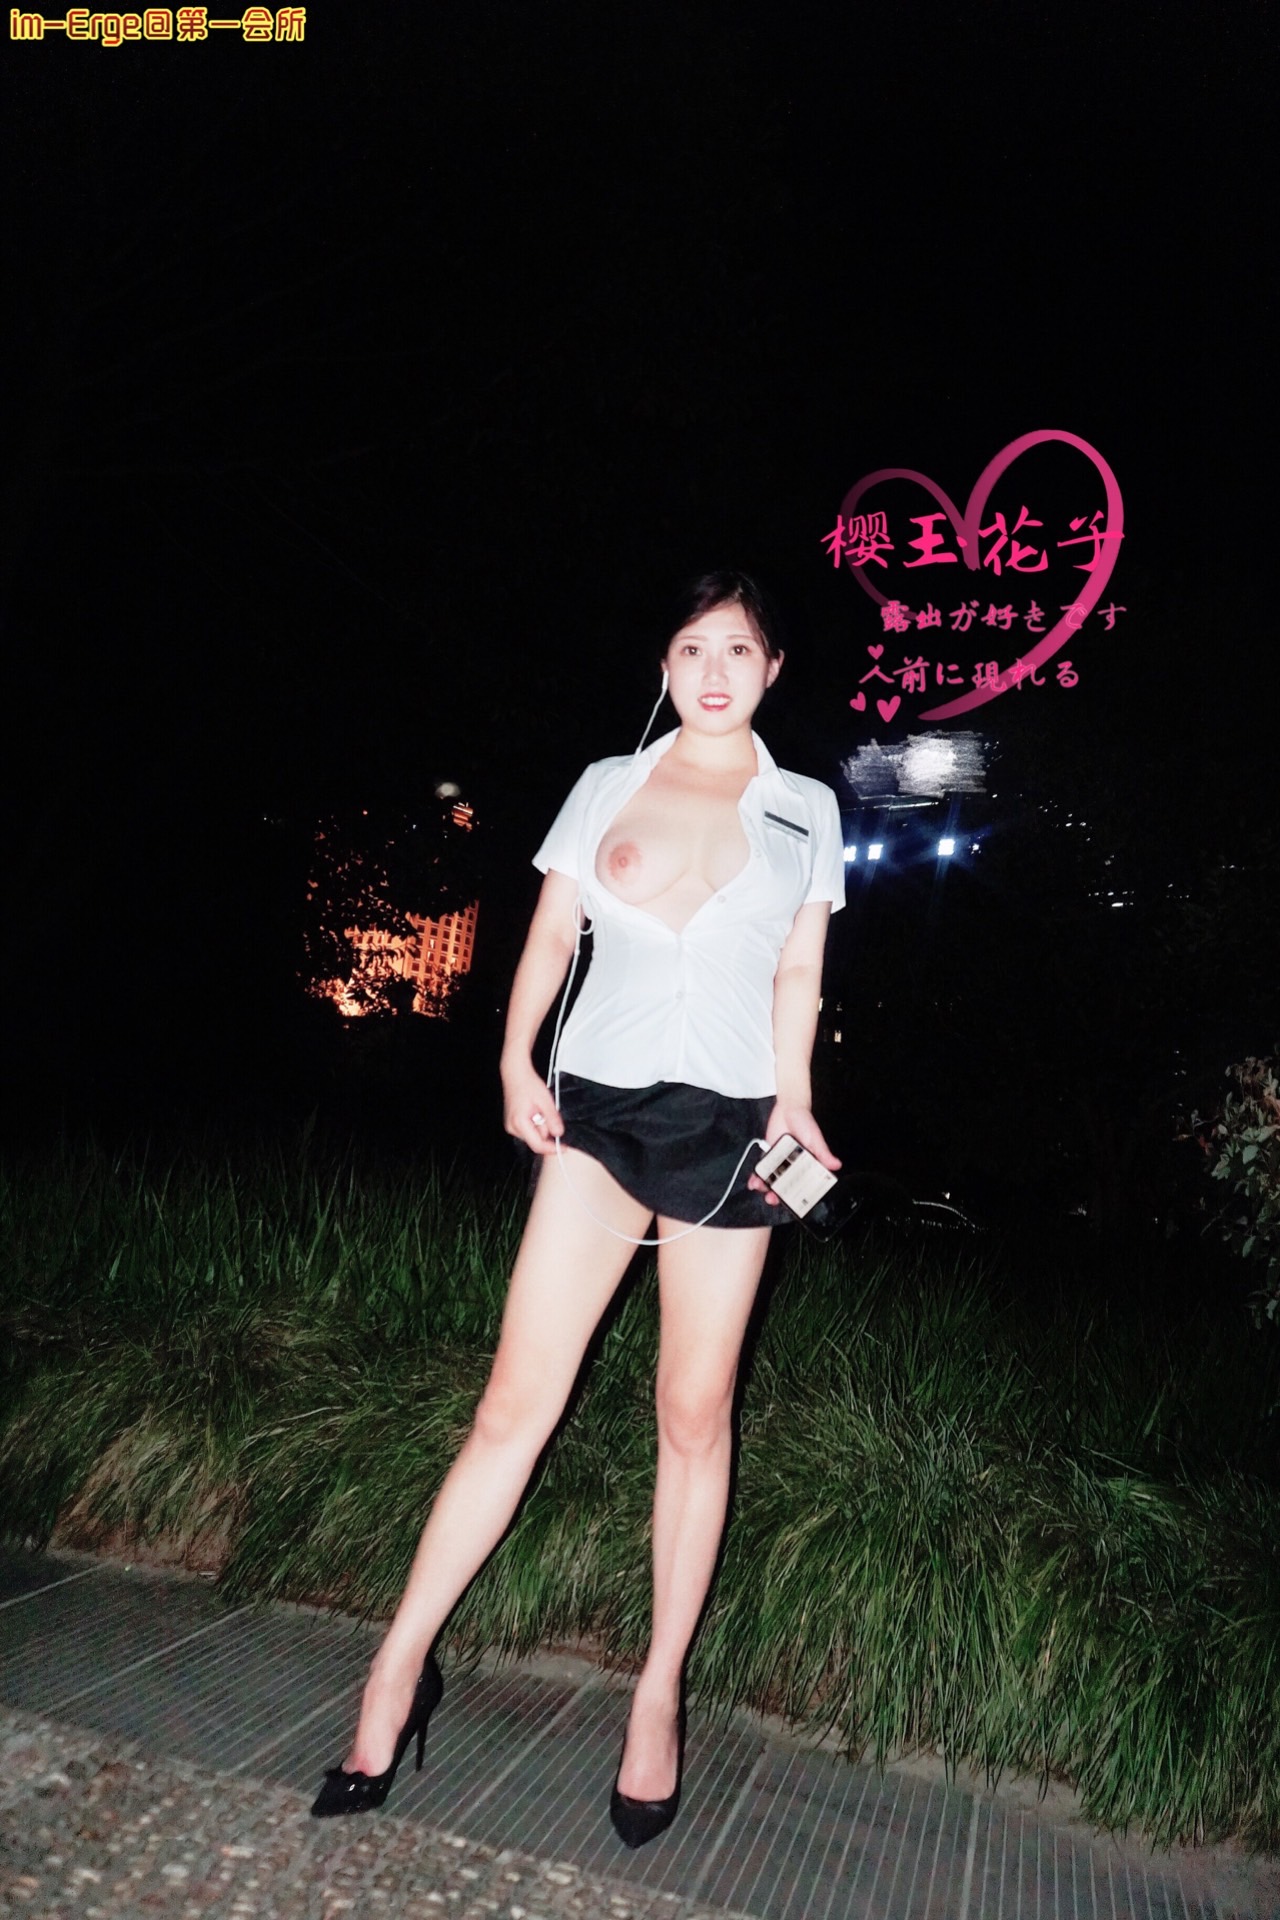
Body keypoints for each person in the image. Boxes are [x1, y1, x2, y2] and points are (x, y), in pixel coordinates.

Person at [311, 570, 845, 1844]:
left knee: (692, 1414)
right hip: (595, 1116)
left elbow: (799, 969)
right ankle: (396, 1667)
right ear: (663, 663)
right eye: (690, 647)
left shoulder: (804, 808)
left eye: (737, 649)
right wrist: (512, 1060)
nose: (711, 670)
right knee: (511, 1404)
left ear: (772, 670)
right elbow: (550, 935)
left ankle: (656, 1694)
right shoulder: (606, 782)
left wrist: (798, 1102)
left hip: (731, 1129)